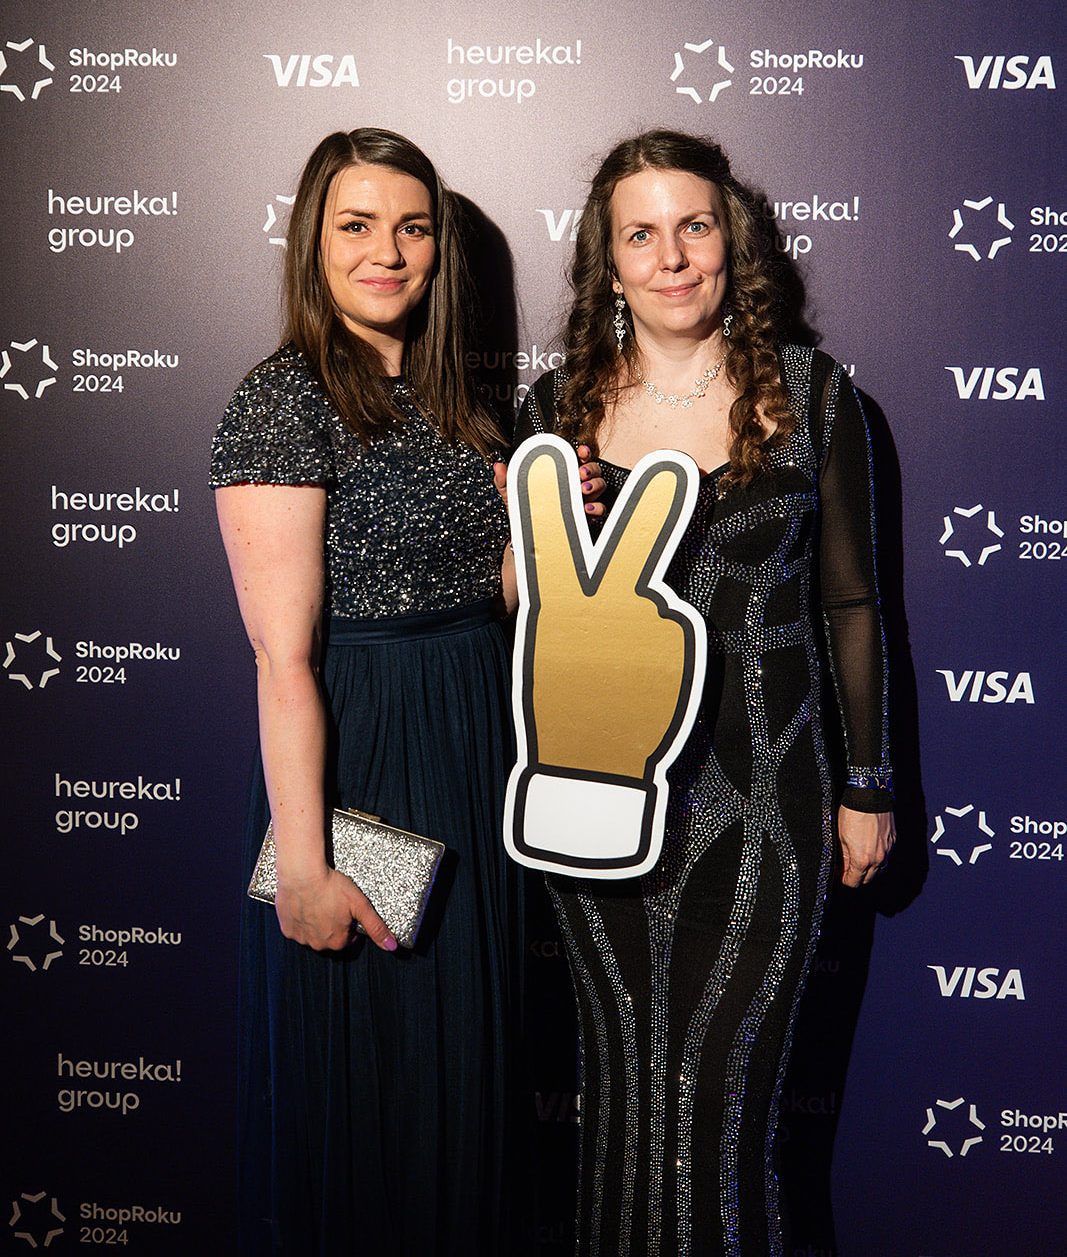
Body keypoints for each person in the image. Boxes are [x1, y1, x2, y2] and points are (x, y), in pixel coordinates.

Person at [210, 127, 601, 1256]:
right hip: (366, 752)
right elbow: (281, 658)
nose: (387, 252)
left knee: (462, 1084)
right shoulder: (281, 400)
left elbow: (499, 593)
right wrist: (304, 868)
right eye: (356, 225)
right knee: (370, 1088)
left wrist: (549, 524)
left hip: (474, 742)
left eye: (412, 228)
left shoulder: (459, 400)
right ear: (312, 241)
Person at [514, 129, 895, 1257]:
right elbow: (525, 608)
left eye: (694, 226)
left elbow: (851, 604)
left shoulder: (812, 394)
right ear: (609, 262)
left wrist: (867, 784)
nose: (672, 257)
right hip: (602, 792)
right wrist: (537, 539)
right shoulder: (556, 409)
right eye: (641, 235)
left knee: (726, 1119)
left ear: (732, 241)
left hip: (769, 798)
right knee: (619, 1107)